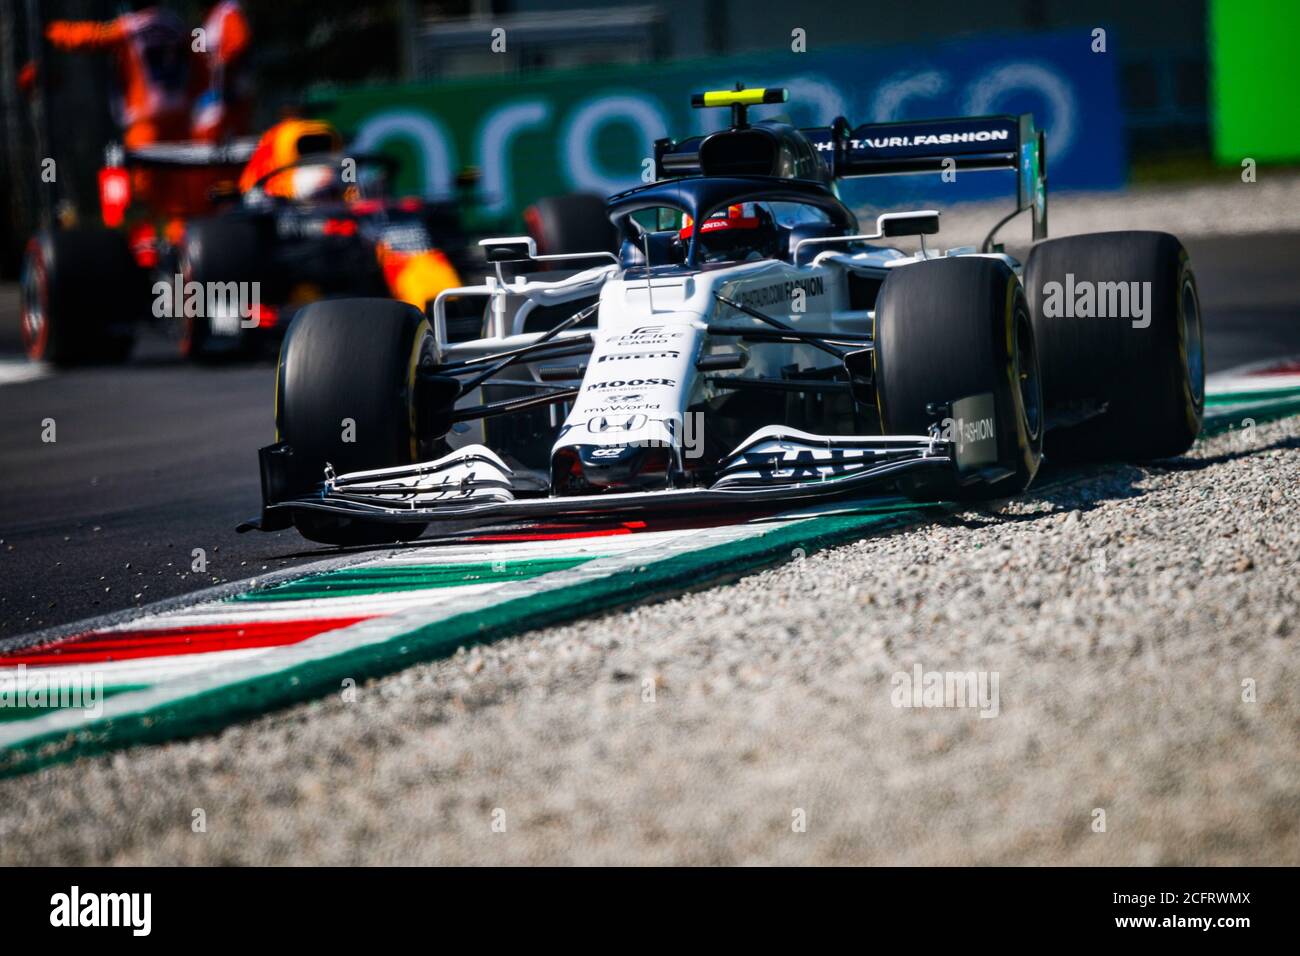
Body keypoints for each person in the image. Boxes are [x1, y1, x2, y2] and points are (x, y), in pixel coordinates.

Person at [44, 2, 189, 148]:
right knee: (183, 168)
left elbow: (92, 37)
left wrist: (54, 32)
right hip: (180, 118)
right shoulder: (176, 26)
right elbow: (199, 68)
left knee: (145, 167)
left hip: (144, 123)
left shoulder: (130, 27)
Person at [189, 1, 252, 143]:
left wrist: (221, 62)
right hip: (209, 96)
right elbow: (198, 54)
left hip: (228, 97)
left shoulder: (228, 11)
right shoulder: (208, 17)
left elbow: (238, 43)